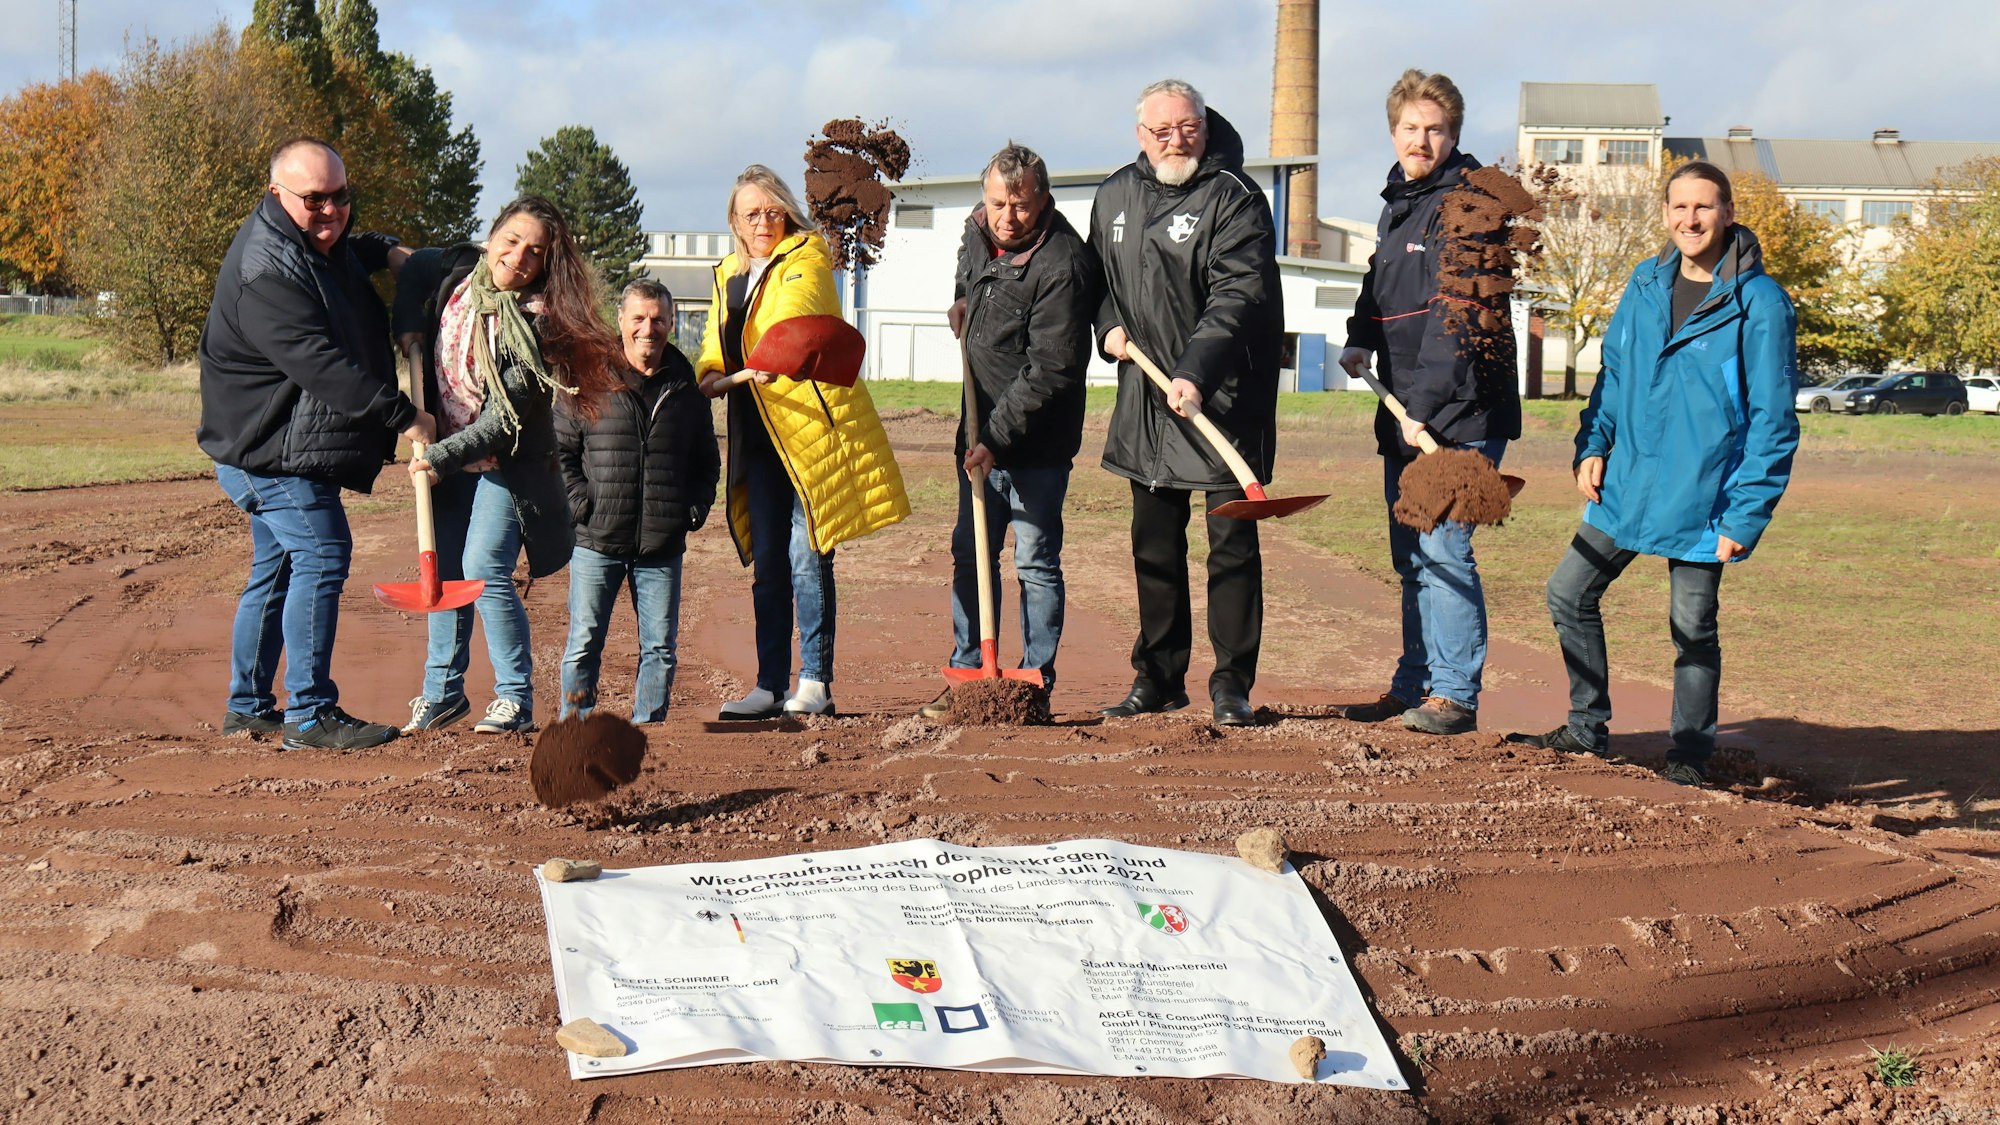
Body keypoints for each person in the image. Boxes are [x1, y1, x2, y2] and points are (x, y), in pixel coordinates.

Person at [1509, 162, 1799, 786]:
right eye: (1679, 207)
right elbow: (1615, 375)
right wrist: (1594, 443)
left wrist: (1747, 513)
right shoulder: (1645, 282)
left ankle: (1689, 757)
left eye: (1703, 207)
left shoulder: (1761, 303)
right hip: (1628, 485)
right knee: (1568, 592)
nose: (1690, 220)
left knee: (1692, 627)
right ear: (1665, 213)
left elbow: (1772, 422)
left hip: (1705, 497)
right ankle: (1586, 729)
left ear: (1726, 212)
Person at [199, 136, 434, 751]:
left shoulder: (307, 241)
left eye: (340, 197)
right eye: (314, 200)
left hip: (268, 446)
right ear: (277, 195)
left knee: (277, 570)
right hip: (268, 453)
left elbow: (345, 250)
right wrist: (405, 415)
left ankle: (249, 706)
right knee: (324, 556)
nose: (330, 212)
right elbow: (319, 363)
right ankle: (309, 713)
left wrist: (386, 251)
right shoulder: (266, 269)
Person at [1088, 78, 1282, 728]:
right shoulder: (1114, 193)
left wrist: (1197, 372)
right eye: (1162, 130)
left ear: (1205, 125)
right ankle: (1159, 677)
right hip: (1147, 402)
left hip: (1221, 401)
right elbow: (1100, 280)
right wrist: (1106, 324)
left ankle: (1232, 686)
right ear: (1140, 134)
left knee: (1230, 546)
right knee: (1154, 546)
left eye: (1188, 128)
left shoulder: (1236, 198)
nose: (1177, 140)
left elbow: (1237, 296)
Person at [394, 196, 624, 735]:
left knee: (481, 570)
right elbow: (408, 268)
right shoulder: (454, 274)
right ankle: (442, 693)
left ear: (546, 265)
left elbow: (506, 422)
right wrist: (407, 325)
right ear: (492, 233)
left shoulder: (533, 322)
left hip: (503, 462)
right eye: (512, 240)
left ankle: (514, 699)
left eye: (535, 252)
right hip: (448, 455)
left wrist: (439, 457)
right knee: (443, 573)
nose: (518, 257)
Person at [1337, 69, 1522, 737]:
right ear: (1394, 132)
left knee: (1444, 547)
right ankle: (1414, 682)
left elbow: (1462, 319)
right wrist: (1361, 337)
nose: (1422, 139)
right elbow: (1379, 285)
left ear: (1454, 136)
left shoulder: (1471, 206)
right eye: (1411, 128)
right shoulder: (1399, 203)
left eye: (1435, 129)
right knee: (1410, 550)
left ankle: (1453, 693)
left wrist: (1422, 403)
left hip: (1461, 410)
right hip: (1407, 406)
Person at [697, 165, 909, 719]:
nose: (763, 222)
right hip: (755, 432)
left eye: (772, 211)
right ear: (735, 223)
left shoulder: (808, 257)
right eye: (752, 214)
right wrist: (710, 371)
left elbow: (798, 316)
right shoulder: (726, 274)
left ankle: (814, 681)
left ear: (786, 212)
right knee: (768, 560)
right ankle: (768, 685)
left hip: (806, 428)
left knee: (806, 555)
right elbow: (717, 340)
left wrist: (768, 356)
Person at [920, 142, 1098, 721]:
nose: (1007, 216)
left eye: (1020, 204)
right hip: (979, 435)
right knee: (970, 553)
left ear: (1042, 199)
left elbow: (1051, 370)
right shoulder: (978, 229)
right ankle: (969, 670)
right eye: (997, 202)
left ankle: (1034, 684)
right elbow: (967, 265)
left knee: (1035, 562)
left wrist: (994, 441)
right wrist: (960, 299)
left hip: (1034, 444)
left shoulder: (1062, 264)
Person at [555, 278, 720, 724]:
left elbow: (707, 461)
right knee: (584, 643)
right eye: (640, 319)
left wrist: (692, 509)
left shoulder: (686, 389)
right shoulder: (587, 380)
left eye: (659, 319)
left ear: (670, 323)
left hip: (661, 545)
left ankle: (648, 732)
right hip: (596, 539)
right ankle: (576, 727)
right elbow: (561, 453)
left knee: (660, 649)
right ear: (622, 322)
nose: (649, 328)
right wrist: (580, 504)